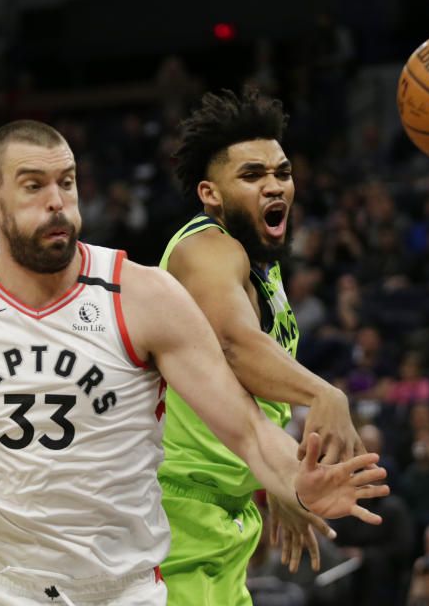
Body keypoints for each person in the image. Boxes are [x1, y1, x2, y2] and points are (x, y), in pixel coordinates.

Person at [0, 120, 389, 606]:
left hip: (122, 587)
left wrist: (296, 482)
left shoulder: (143, 294)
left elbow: (247, 430)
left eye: (67, 182)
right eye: (33, 185)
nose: (56, 200)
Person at [155, 87, 367, 604]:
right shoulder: (204, 249)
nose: (274, 185)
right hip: (171, 516)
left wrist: (277, 479)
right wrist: (325, 395)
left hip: (225, 512)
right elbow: (232, 343)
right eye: (252, 176)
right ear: (211, 193)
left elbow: (237, 390)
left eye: (282, 173)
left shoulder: (260, 264)